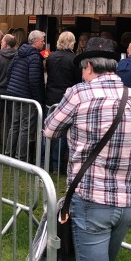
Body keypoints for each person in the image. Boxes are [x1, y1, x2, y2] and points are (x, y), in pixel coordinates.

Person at [44, 37, 131, 261]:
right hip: (128, 202)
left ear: (89, 66)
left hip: (92, 201)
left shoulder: (79, 93)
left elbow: (50, 129)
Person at [5, 29, 46, 161]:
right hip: (27, 97)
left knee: (15, 125)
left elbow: (9, 71)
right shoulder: (35, 57)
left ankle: (8, 153)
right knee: (25, 127)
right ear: (35, 41)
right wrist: (38, 99)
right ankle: (20, 157)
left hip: (15, 94)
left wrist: (12, 87)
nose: (43, 43)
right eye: (42, 41)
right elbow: (34, 80)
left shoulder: (19, 53)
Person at [43, 31, 81, 172]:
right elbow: (78, 80)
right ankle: (57, 165)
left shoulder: (51, 57)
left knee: (47, 129)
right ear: (72, 42)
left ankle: (44, 161)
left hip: (50, 96)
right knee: (63, 133)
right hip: (66, 99)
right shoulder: (74, 59)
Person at [0, 33, 17, 149]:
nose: (0, 44)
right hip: (12, 92)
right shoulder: (17, 58)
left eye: (1, 42)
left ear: (5, 44)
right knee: (11, 120)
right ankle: (8, 146)